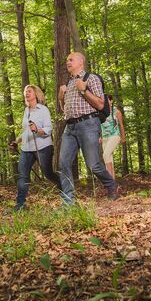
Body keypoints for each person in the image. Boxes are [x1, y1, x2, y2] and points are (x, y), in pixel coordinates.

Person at [58, 52, 118, 205]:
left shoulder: (92, 78)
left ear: (81, 62)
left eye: (71, 59)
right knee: (63, 163)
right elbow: (64, 109)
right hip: (70, 127)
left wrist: (84, 90)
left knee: (93, 165)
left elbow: (100, 104)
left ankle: (111, 185)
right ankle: (68, 201)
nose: (68, 62)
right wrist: (61, 97)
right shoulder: (69, 83)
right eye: (67, 60)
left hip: (88, 125)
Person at [9, 85, 60, 211]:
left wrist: (37, 130)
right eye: (25, 92)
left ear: (36, 94)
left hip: (43, 147)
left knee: (48, 174)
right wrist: (17, 141)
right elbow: (26, 131)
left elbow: (49, 129)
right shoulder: (26, 111)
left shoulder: (43, 110)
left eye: (29, 91)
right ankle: (20, 205)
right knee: (22, 175)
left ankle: (68, 193)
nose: (27, 93)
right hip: (26, 149)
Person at [101, 95, 126, 179]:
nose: (105, 102)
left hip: (115, 135)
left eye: (107, 100)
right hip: (104, 138)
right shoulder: (101, 112)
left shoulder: (116, 111)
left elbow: (121, 125)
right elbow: (99, 126)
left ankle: (109, 181)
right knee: (108, 158)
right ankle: (112, 183)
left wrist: (123, 138)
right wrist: (99, 136)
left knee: (105, 155)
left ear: (111, 101)